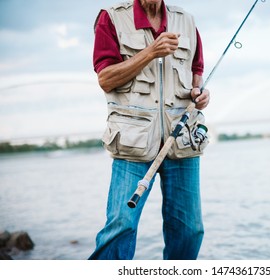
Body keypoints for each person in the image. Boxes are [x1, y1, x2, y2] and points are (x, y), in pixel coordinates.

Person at [89, 0, 210, 260]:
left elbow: (196, 75)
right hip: (133, 142)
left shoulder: (187, 20)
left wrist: (200, 94)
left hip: (182, 140)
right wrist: (150, 52)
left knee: (190, 230)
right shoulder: (110, 19)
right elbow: (105, 78)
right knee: (121, 226)